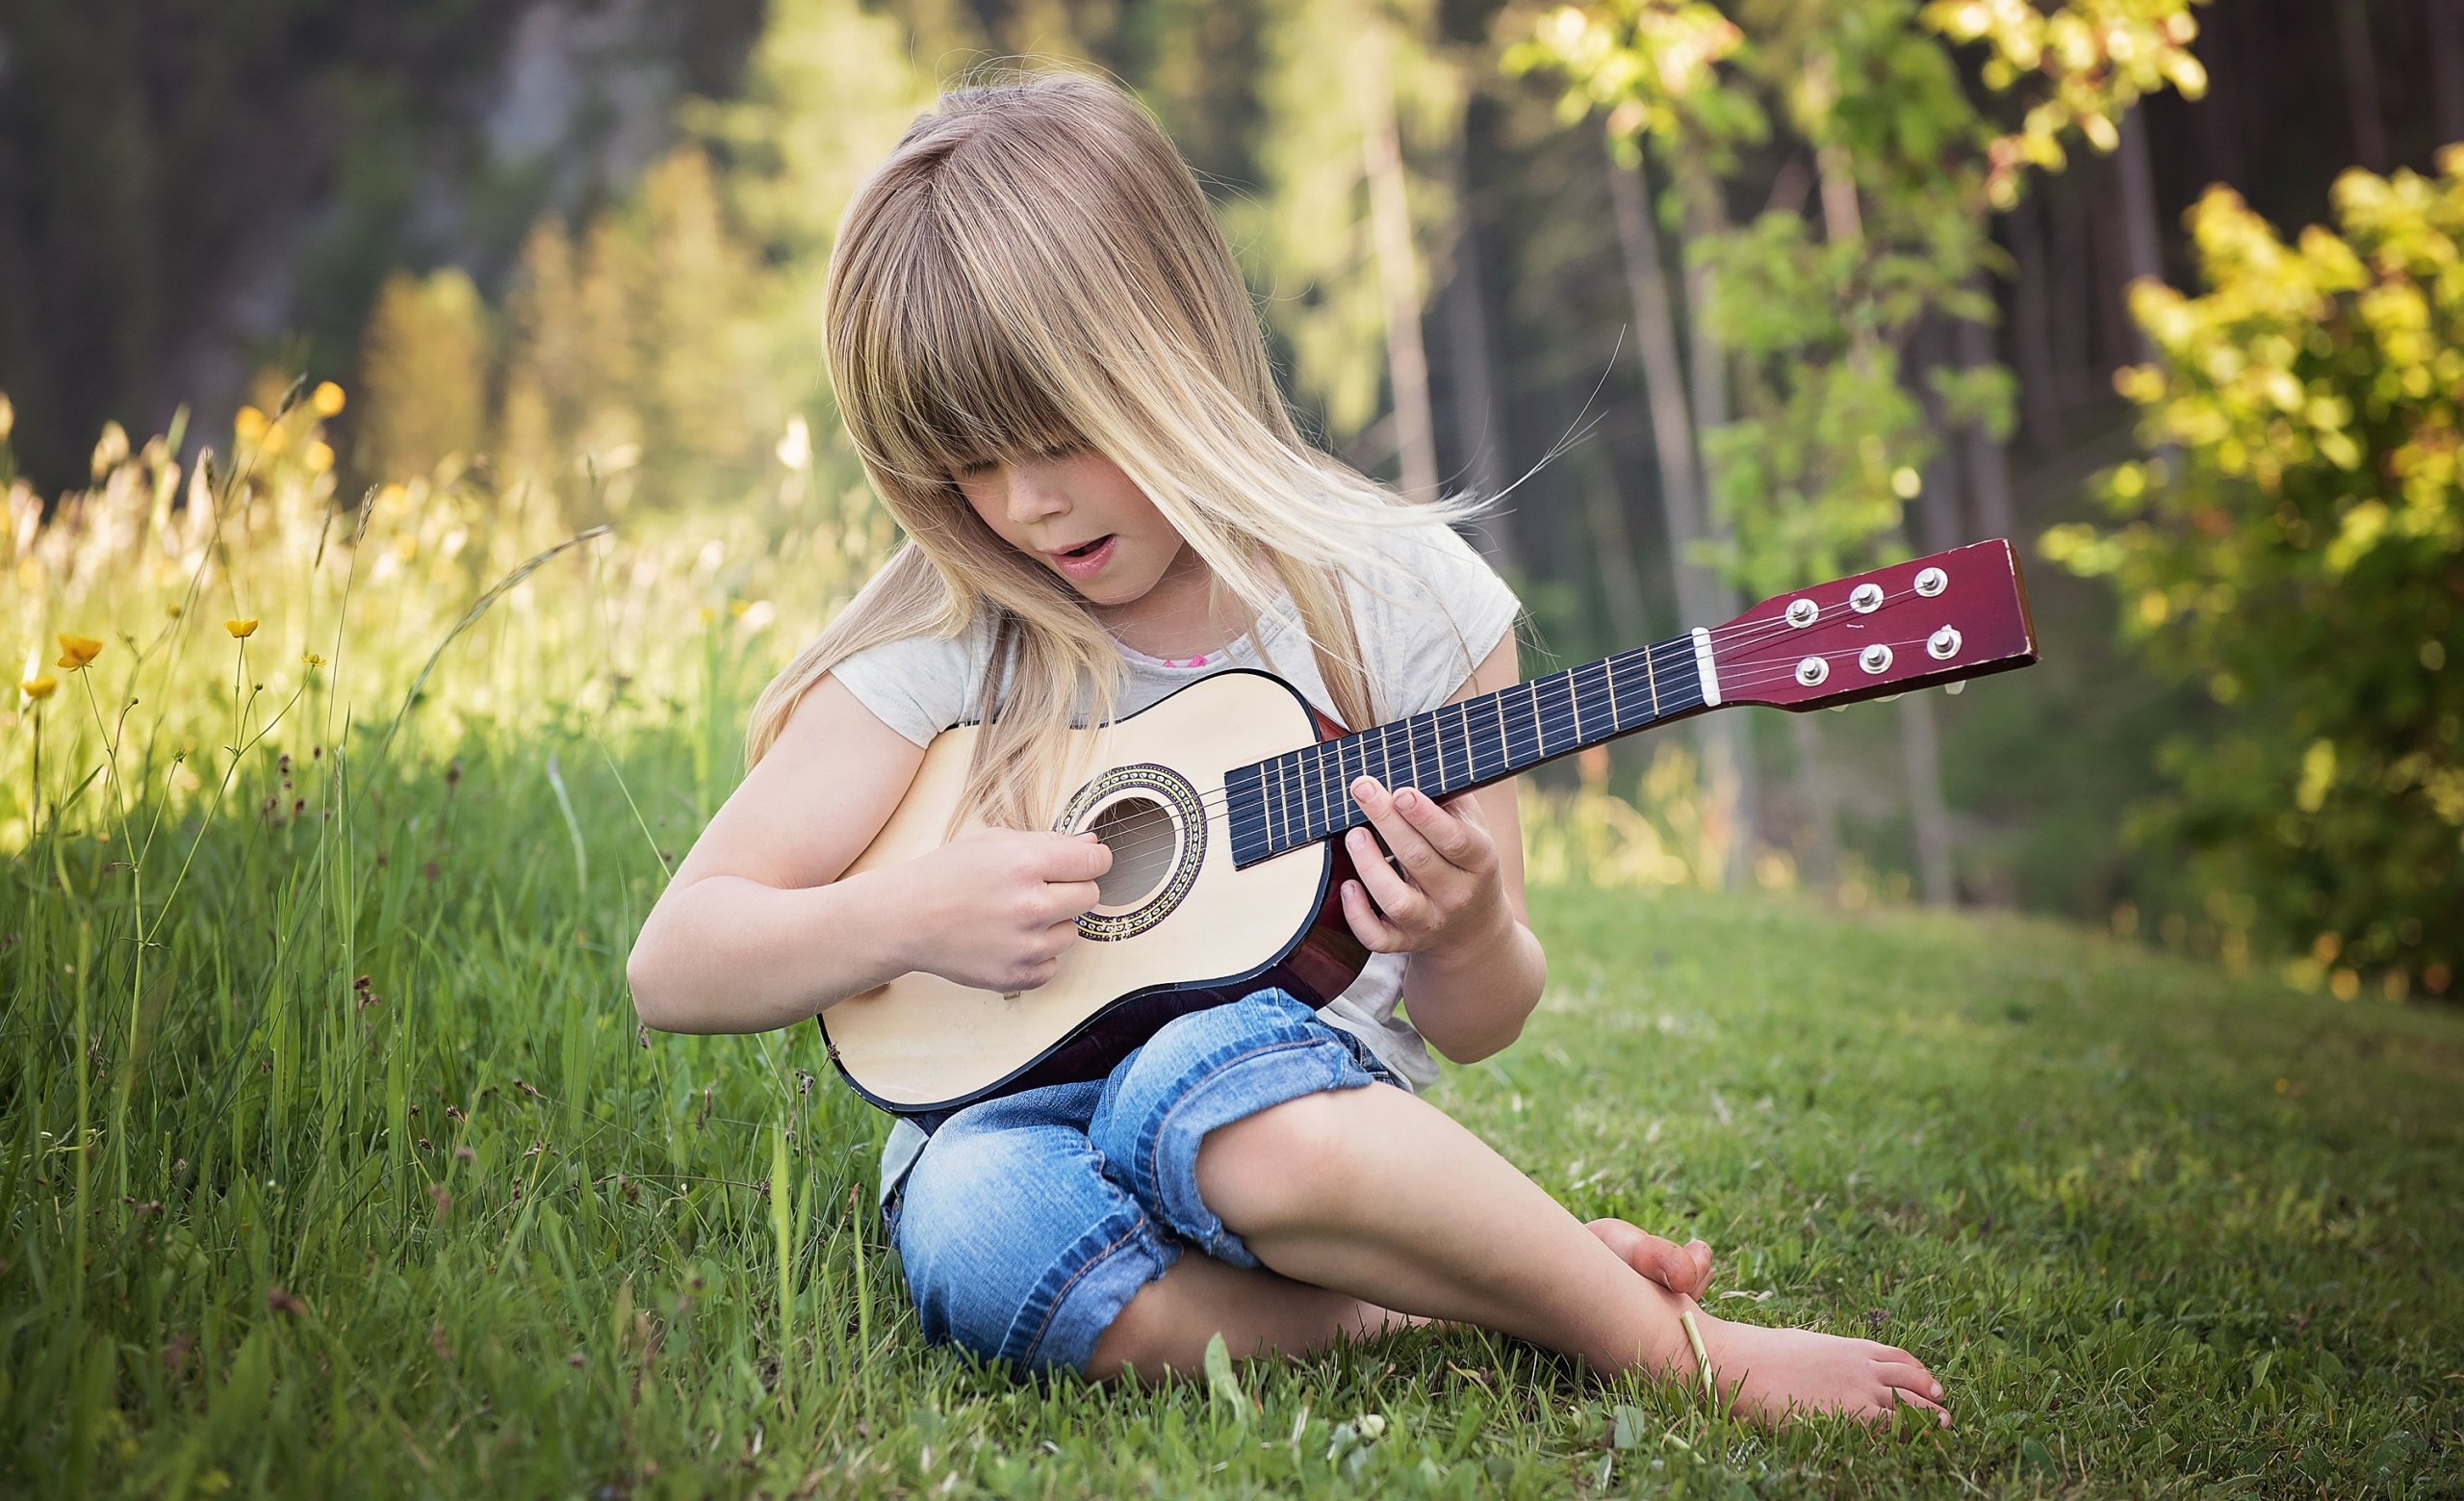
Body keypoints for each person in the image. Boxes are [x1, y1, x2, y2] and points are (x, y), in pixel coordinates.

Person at [627, 71, 1948, 1426]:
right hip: (1007, 1117)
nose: (1025, 504)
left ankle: (1672, 1346)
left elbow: (1477, 1023)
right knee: (968, 1229)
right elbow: (677, 962)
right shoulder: (954, 635)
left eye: (1064, 436)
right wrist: (902, 915)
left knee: (1201, 1086)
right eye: (968, 463)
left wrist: (1467, 930)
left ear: (1174, 349)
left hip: (1289, 1113)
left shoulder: (1399, 597)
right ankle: (1445, 1292)